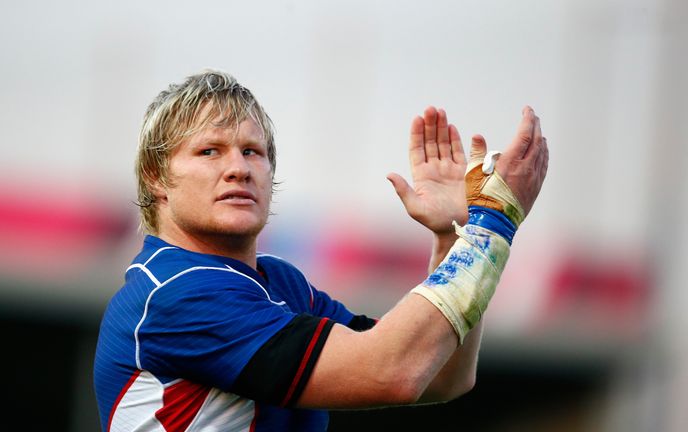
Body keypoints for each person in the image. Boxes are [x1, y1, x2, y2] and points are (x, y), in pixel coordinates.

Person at [93, 69, 548, 431]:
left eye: (253, 152)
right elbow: (394, 371)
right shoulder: (177, 294)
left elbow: (442, 373)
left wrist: (455, 235)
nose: (238, 168)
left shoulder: (280, 281)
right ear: (156, 178)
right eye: (210, 151)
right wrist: (492, 225)